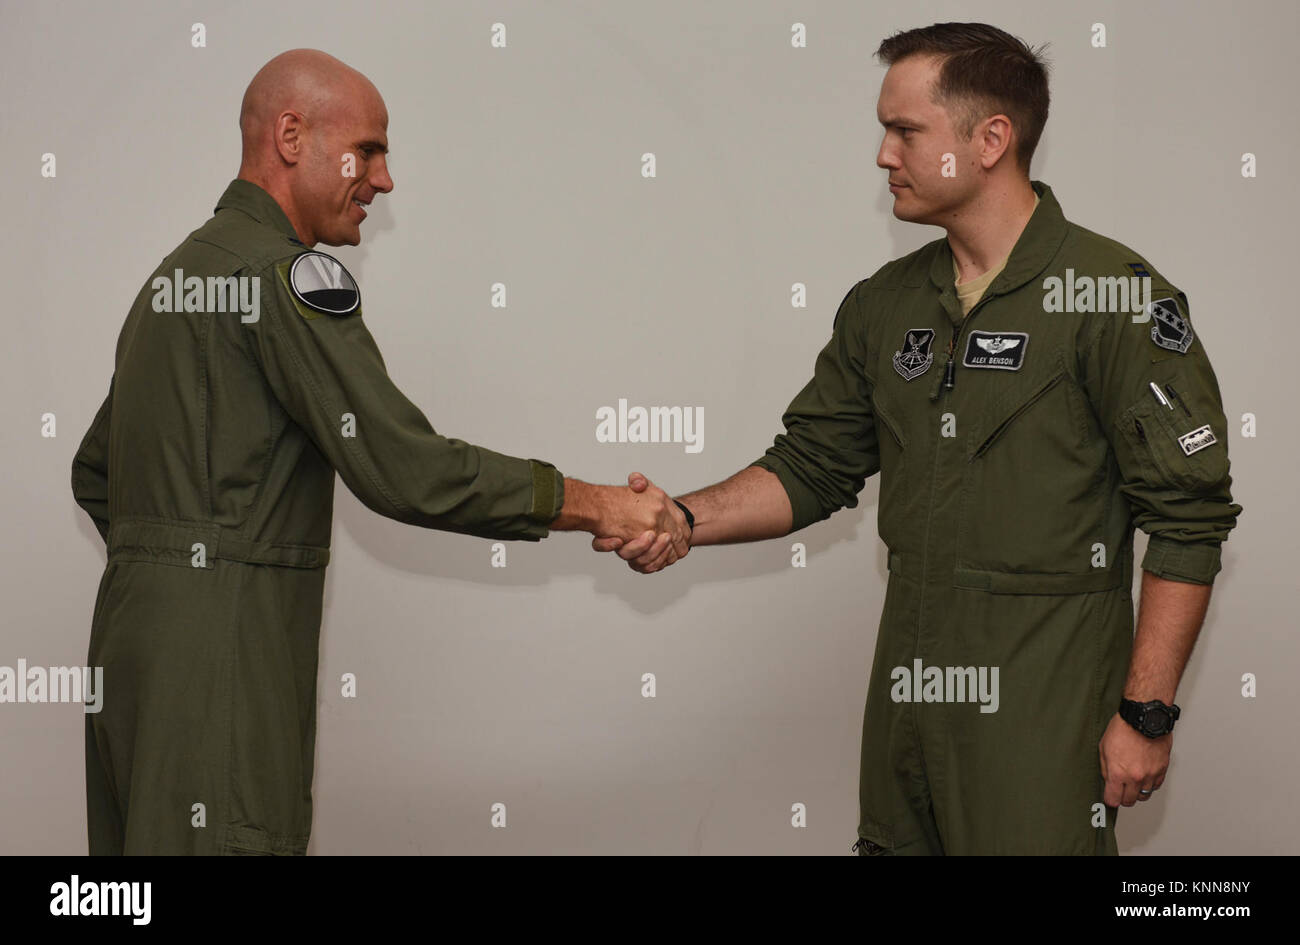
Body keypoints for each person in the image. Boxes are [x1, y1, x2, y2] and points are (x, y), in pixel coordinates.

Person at [597, 23, 1241, 855]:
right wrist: (683, 515)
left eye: (905, 130)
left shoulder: (1111, 299)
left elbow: (1189, 520)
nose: (882, 154)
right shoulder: (886, 303)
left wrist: (1145, 713)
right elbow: (811, 466)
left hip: (1041, 711)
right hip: (907, 700)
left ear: (990, 141)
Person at [70, 48, 688, 855]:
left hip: (129, 662)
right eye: (370, 149)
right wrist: (601, 502)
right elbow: (406, 468)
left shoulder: (175, 277)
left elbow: (94, 468)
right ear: (292, 136)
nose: (385, 180)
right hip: (222, 666)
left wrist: (176, 566)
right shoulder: (283, 279)